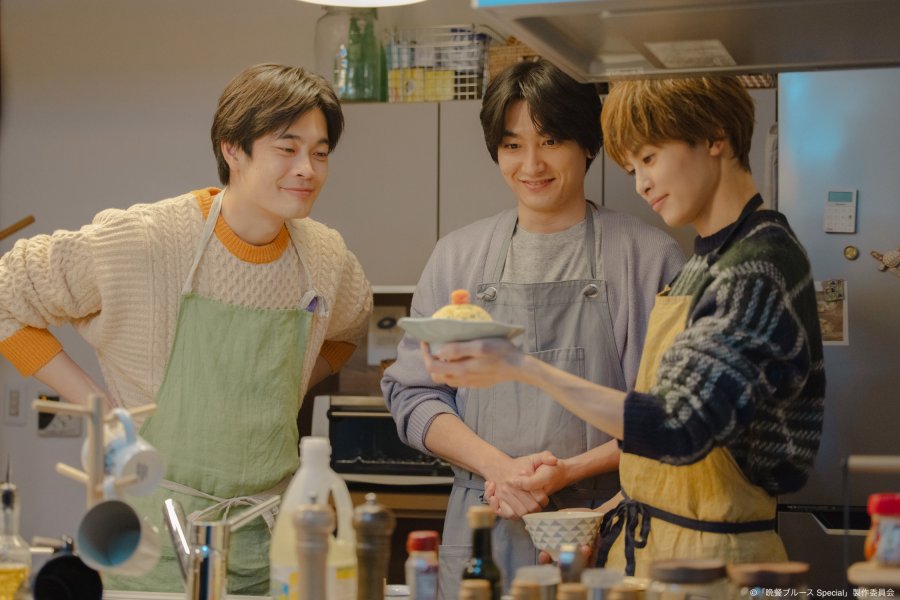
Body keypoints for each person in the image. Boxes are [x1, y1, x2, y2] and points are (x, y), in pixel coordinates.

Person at [421, 75, 826, 577]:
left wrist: (521, 365)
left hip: (717, 564)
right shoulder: (707, 265)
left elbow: (677, 426)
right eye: (633, 168)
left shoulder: (757, 265)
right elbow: (660, 454)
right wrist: (599, 521)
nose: (641, 185)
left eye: (649, 159)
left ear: (715, 136)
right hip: (659, 546)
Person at [0, 63, 372, 593]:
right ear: (232, 150)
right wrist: (97, 404)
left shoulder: (325, 257)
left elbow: (350, 327)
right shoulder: (145, 241)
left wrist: (292, 382)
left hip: (269, 546)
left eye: (320, 152)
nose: (307, 169)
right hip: (149, 545)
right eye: (287, 149)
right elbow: (7, 294)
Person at [382, 59, 684, 598]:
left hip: (603, 526)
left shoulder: (646, 257)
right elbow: (413, 394)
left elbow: (671, 416)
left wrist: (566, 474)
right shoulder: (457, 257)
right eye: (512, 145)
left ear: (587, 144)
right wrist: (499, 469)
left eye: (550, 141)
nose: (531, 164)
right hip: (483, 524)